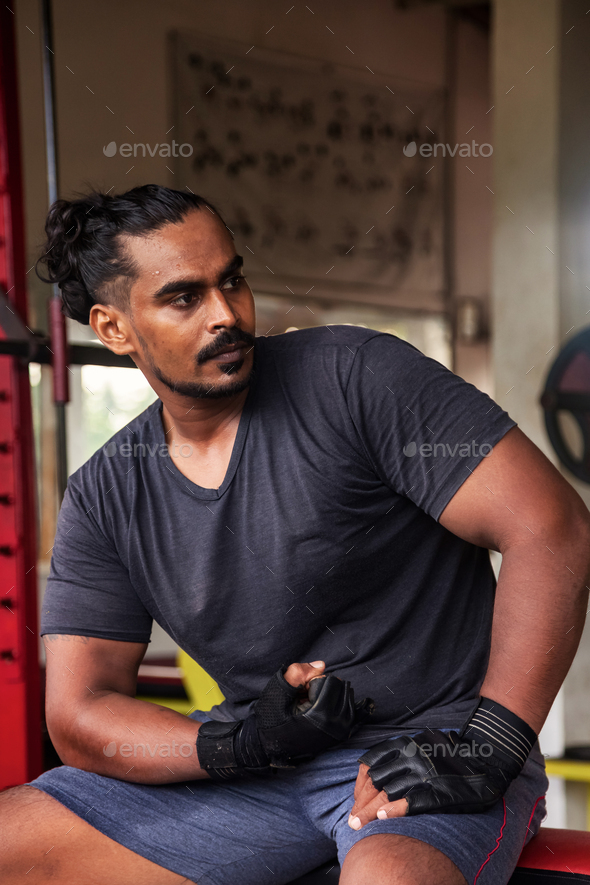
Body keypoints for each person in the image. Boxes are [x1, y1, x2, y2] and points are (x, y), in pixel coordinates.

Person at [1, 184, 589, 885]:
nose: (226, 313)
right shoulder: (105, 492)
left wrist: (489, 745)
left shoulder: (355, 376)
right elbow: (79, 712)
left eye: (233, 280)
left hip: (431, 752)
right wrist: (238, 744)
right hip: (261, 773)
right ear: (114, 327)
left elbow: (551, 526)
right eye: (185, 297)